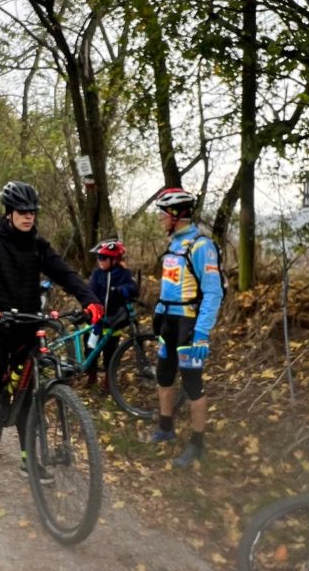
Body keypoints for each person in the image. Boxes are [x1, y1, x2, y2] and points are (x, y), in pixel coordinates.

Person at [0, 181, 104, 499]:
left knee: (28, 399)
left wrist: (89, 299)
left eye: (32, 211)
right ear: (9, 212)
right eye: (22, 211)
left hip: (27, 326)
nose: (28, 216)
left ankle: (29, 460)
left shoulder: (38, 245)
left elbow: (65, 273)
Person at [150, 187, 224, 469]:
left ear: (175, 214)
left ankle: (197, 444)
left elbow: (213, 293)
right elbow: (170, 285)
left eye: (162, 213)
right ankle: (165, 428)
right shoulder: (174, 245)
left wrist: (202, 333)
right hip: (168, 323)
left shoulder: (201, 246)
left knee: (192, 384)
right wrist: (159, 315)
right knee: (164, 376)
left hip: (189, 325)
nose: (159, 219)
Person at [86, 238, 137, 391]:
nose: (100, 261)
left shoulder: (124, 274)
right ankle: (91, 376)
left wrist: (124, 289)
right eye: (99, 257)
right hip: (96, 321)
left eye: (103, 258)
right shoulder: (97, 274)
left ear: (115, 259)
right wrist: (91, 310)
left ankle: (109, 381)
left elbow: (134, 289)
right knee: (90, 350)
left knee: (110, 354)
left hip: (114, 321)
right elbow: (90, 292)